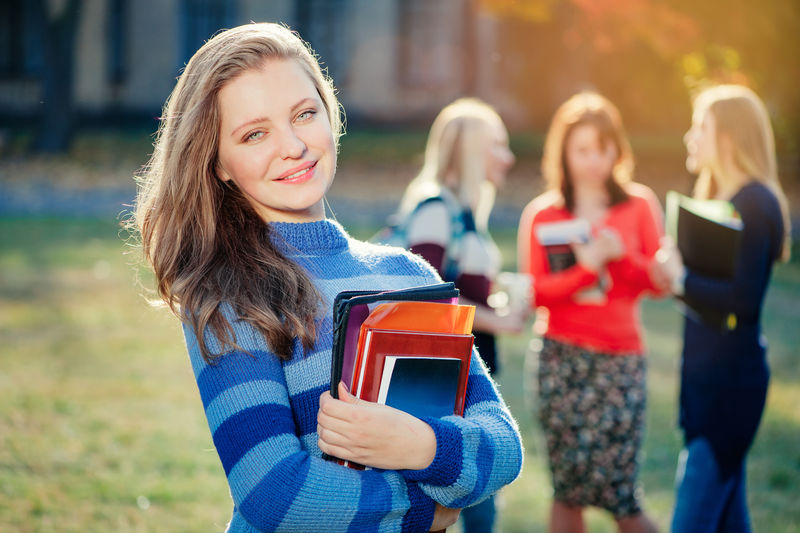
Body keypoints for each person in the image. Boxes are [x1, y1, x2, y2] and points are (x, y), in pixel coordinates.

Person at [129, 22, 523, 533]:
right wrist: (424, 514)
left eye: (304, 114)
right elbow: (274, 492)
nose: (292, 145)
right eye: (254, 133)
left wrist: (420, 446)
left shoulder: (408, 275)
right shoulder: (228, 297)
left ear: (329, 113)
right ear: (219, 163)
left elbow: (503, 442)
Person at [517, 92, 663, 533]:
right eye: (582, 150)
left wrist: (620, 259)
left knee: (622, 495)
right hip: (560, 359)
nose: (593, 160)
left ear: (618, 150)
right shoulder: (542, 214)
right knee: (568, 492)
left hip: (620, 360)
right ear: (563, 152)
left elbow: (658, 282)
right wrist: (587, 268)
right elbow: (536, 292)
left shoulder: (638, 205)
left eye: (603, 148)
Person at [654, 84, 791, 533]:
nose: (690, 137)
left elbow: (741, 301)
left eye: (700, 127)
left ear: (728, 137)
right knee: (730, 521)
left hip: (730, 389)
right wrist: (674, 278)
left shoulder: (756, 203)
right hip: (704, 384)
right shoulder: (721, 202)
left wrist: (679, 277)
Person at [390, 98, 529, 532]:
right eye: (498, 146)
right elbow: (427, 299)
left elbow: (460, 291)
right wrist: (499, 320)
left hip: (467, 374)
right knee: (470, 501)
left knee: (475, 499)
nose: (508, 157)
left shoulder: (465, 214)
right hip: (440, 382)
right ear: (471, 151)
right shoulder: (436, 208)